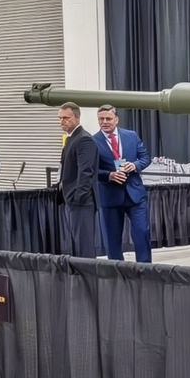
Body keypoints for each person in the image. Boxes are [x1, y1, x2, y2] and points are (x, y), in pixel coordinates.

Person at [94, 104, 152, 263]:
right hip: (110, 197)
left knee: (142, 233)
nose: (104, 122)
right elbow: (91, 170)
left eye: (108, 119)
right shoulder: (92, 141)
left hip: (135, 195)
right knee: (112, 240)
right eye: (101, 119)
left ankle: (145, 269)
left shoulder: (131, 136)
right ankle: (117, 271)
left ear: (117, 119)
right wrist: (109, 175)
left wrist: (135, 165)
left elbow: (145, 158)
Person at [57, 102, 99, 258]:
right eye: (60, 118)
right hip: (72, 200)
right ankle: (79, 270)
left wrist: (78, 198)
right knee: (77, 243)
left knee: (84, 245)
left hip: (81, 201)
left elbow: (86, 172)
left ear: (77, 118)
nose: (62, 121)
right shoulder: (72, 139)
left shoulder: (83, 139)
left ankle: (86, 272)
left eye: (66, 118)